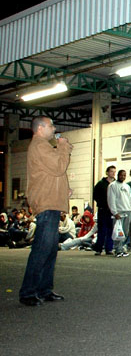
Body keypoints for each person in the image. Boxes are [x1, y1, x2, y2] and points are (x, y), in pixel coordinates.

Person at [19, 117, 73, 306]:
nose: (54, 129)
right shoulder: (40, 146)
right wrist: (63, 146)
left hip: (52, 203)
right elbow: (59, 167)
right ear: (40, 128)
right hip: (47, 204)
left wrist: (64, 189)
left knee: (50, 250)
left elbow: (53, 174)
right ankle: (28, 292)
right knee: (42, 249)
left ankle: (44, 289)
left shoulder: (43, 147)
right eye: (51, 126)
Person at [107, 169, 131, 258]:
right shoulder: (112, 186)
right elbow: (111, 199)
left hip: (127, 210)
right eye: (121, 175)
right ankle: (117, 249)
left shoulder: (127, 186)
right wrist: (114, 212)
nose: (123, 177)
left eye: (124, 175)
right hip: (119, 211)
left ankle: (122, 248)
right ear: (118, 175)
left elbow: (130, 198)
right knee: (118, 231)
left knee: (125, 231)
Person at [92, 165, 116, 255]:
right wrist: (102, 203)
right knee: (102, 229)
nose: (113, 173)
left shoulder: (116, 184)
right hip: (103, 209)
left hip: (112, 210)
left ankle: (109, 249)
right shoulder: (101, 184)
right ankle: (98, 249)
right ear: (107, 172)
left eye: (114, 172)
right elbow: (95, 195)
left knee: (111, 229)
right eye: (111, 171)